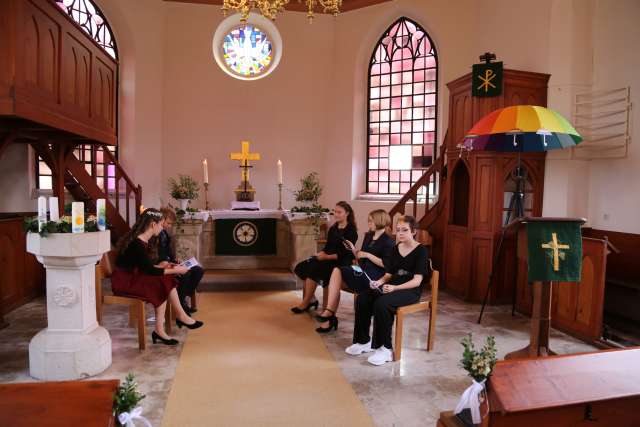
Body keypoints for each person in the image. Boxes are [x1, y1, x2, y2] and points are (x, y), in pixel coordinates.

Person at [111, 208, 203, 346]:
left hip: (134, 277)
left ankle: (164, 327)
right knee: (164, 280)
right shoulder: (137, 243)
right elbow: (148, 270)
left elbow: (146, 267)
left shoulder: (143, 240)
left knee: (164, 280)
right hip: (124, 282)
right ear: (153, 225)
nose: (162, 228)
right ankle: (178, 317)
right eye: (161, 224)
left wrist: (166, 266)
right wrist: (176, 270)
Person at [346, 215, 429, 366]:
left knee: (382, 304)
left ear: (414, 231)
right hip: (392, 287)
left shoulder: (421, 251)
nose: (401, 233)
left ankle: (385, 348)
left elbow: (417, 281)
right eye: (398, 230)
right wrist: (379, 282)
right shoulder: (396, 249)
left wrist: (395, 287)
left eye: (405, 230)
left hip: (410, 291)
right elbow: (389, 274)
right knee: (363, 298)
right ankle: (363, 340)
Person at [315, 209, 394, 334]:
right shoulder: (368, 236)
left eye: (370, 221)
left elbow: (386, 264)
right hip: (362, 269)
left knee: (334, 279)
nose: (368, 223)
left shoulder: (388, 241)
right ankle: (329, 313)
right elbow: (360, 257)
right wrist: (353, 250)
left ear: (379, 221)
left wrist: (367, 255)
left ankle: (329, 315)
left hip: (374, 275)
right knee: (336, 271)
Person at [291, 201, 358, 315]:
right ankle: (311, 299)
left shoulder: (351, 231)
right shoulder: (333, 228)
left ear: (347, 213)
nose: (336, 214)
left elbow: (345, 254)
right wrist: (320, 254)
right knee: (301, 267)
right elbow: (327, 247)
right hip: (327, 258)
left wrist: (326, 257)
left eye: (339, 212)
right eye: (335, 212)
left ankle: (306, 302)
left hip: (341, 262)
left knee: (314, 270)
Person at [156, 207, 204, 315]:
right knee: (185, 273)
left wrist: (175, 259)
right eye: (168, 223)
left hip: (169, 262)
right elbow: (156, 255)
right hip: (162, 266)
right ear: (161, 219)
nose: (169, 226)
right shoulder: (155, 234)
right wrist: (167, 262)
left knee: (198, 270)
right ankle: (181, 305)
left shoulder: (164, 233)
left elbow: (167, 251)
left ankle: (182, 298)